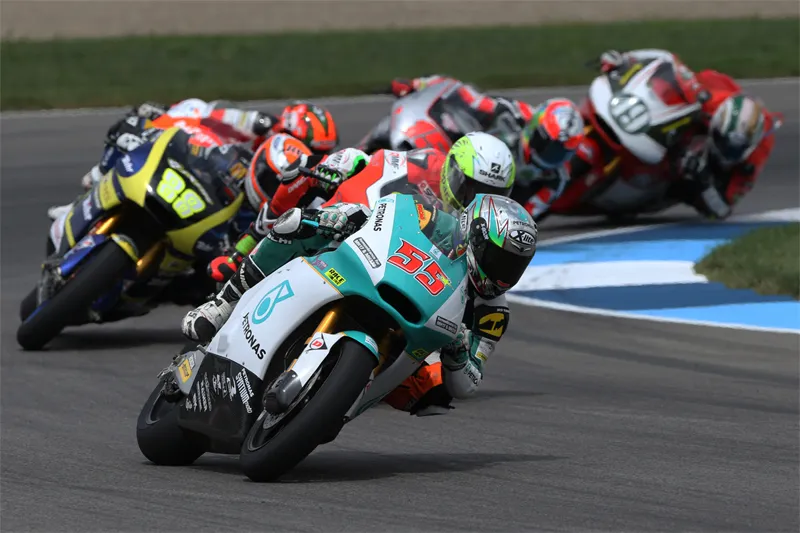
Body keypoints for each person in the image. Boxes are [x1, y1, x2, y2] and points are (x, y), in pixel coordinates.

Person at [182, 192, 539, 415]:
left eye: (514, 266)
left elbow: (468, 384)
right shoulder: (440, 225)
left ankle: (332, 400)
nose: (503, 274)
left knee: (433, 392)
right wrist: (348, 215)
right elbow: (388, 216)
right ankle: (224, 303)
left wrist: (459, 354)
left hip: (416, 346)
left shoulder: (493, 312)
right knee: (297, 225)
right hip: (379, 281)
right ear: (475, 236)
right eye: (499, 259)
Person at [207, 131, 518, 283]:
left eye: (490, 194)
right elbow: (380, 168)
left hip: (403, 267)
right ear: (452, 170)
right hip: (363, 227)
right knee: (303, 174)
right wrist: (350, 163)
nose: (475, 199)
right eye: (471, 188)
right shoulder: (427, 165)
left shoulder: (478, 228)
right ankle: (243, 253)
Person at [47, 99, 339, 219]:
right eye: (302, 142)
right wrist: (164, 117)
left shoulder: (306, 181)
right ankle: (86, 197)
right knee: (146, 124)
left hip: (230, 211)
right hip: (201, 167)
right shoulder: (258, 125)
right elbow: (210, 115)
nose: (302, 151)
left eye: (315, 151)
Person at [361, 74, 585, 220]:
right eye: (546, 144)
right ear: (535, 126)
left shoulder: (555, 180)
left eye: (560, 152)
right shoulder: (512, 113)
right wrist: (418, 85)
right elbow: (464, 94)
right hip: (462, 157)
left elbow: (527, 215)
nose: (549, 154)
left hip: (482, 206)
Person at [592, 49, 781, 219]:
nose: (726, 152)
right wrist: (626, 61)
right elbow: (671, 64)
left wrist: (704, 182)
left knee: (671, 189)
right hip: (693, 116)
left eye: (734, 151)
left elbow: (723, 209)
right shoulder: (709, 99)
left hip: (690, 178)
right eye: (722, 142)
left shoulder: (755, 157)